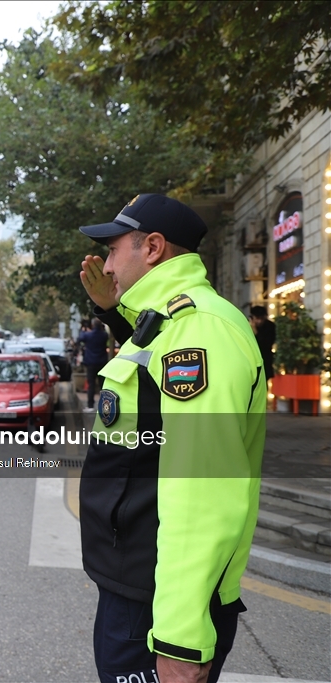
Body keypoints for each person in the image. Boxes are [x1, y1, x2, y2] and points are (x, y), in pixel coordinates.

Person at [77, 193, 265, 683]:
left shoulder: (198, 331)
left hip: (158, 595)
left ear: (154, 248)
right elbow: (151, 401)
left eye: (113, 249)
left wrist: (180, 638)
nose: (106, 262)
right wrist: (114, 313)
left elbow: (201, 488)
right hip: (138, 579)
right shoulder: (169, 324)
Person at [78, 318, 110, 410]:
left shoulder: (88, 335)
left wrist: (83, 330)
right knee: (103, 385)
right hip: (102, 363)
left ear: (92, 325)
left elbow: (80, 338)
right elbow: (105, 335)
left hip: (91, 363)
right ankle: (106, 406)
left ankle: (90, 405)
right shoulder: (104, 335)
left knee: (91, 385)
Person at [248, 305, 275, 385]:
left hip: (265, 360)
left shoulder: (270, 326)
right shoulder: (247, 325)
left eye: (261, 319)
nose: (259, 321)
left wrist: (256, 332)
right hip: (250, 360)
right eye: (257, 318)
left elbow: (267, 343)